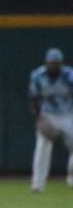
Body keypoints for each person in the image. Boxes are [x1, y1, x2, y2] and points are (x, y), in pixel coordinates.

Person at [28, 48, 73, 192]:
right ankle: (37, 184)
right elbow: (33, 99)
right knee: (42, 147)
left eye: (56, 63)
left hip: (67, 115)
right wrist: (38, 119)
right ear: (46, 63)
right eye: (51, 63)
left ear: (61, 63)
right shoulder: (37, 76)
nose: (53, 66)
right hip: (47, 115)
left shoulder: (69, 75)